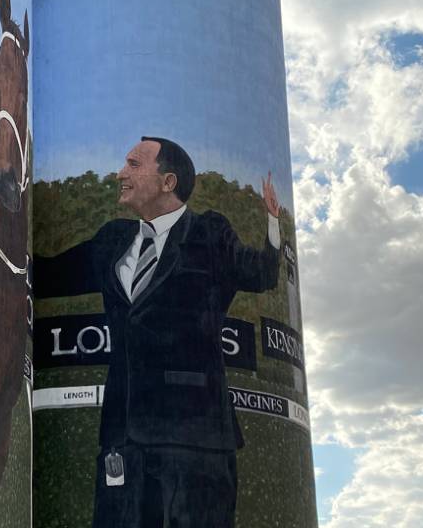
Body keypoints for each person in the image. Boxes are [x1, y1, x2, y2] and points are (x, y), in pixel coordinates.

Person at [35, 137, 282, 528]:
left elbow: (261, 272)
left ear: (168, 181)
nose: (120, 173)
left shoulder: (209, 233)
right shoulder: (113, 239)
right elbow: (47, 275)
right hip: (122, 441)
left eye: (134, 164)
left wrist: (272, 223)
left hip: (194, 442)